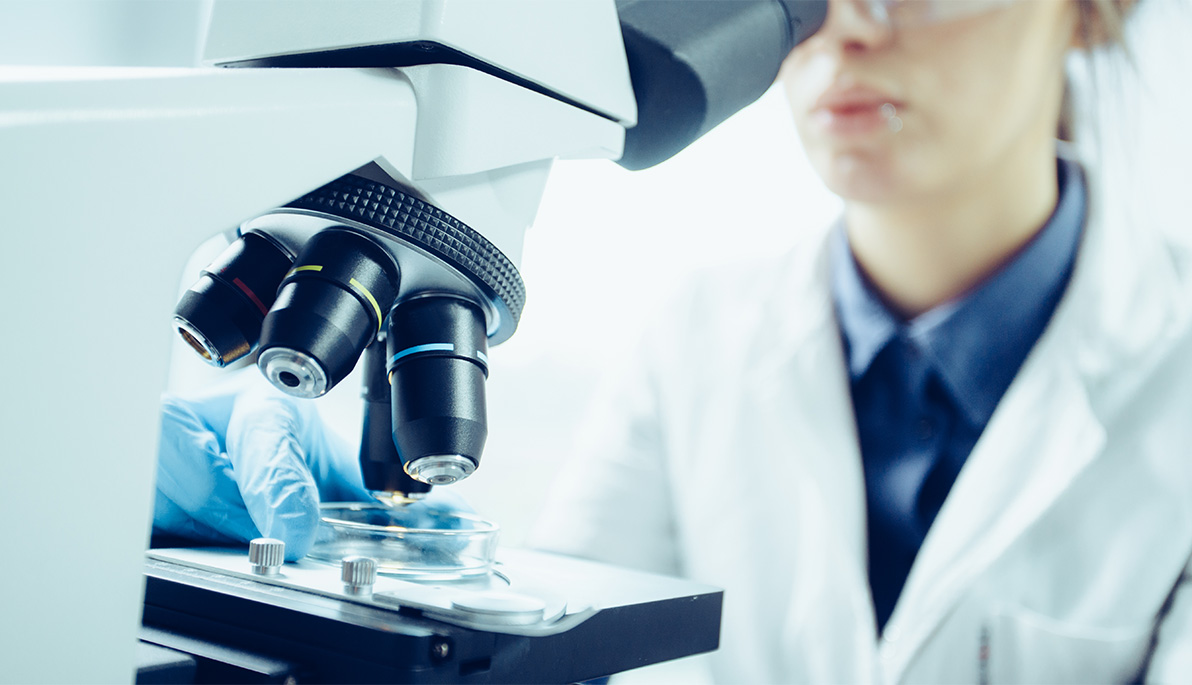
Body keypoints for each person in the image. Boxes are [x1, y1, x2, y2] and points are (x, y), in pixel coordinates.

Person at [155, 0, 1192, 680]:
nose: (849, 27)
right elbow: (539, 643)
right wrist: (364, 560)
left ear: (1091, 16)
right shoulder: (699, 331)